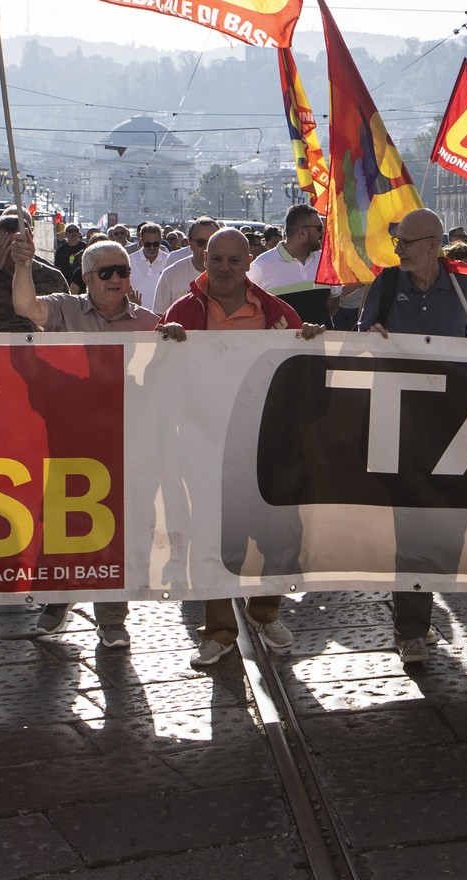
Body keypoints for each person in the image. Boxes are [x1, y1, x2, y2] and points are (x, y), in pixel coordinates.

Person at [11, 232, 184, 644]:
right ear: (87, 277)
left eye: (122, 271)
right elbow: (24, 307)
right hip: (65, 436)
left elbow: (169, 374)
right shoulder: (63, 309)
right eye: (106, 272)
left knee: (114, 528)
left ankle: (111, 620)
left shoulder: (148, 322)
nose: (116, 279)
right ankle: (59, 598)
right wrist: (22, 263)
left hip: (121, 441)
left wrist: (176, 338)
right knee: (59, 520)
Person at [164, 228, 324, 665]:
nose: (224, 269)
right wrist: (168, 344)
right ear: (205, 261)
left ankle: (265, 611)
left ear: (248, 262)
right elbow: (163, 379)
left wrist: (307, 337)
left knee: (281, 535)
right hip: (207, 445)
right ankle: (218, 629)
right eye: (216, 259)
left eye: (234, 260)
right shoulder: (182, 312)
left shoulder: (277, 312)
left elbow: (303, 367)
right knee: (214, 541)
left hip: (267, 444)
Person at [356, 208, 467, 667]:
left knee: (446, 527)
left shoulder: (466, 287)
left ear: (433, 245)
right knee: (410, 526)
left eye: (407, 243)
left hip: (452, 427)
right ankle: (411, 627)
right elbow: (361, 342)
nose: (399, 250)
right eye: (398, 243)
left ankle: (419, 606)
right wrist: (371, 335)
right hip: (399, 427)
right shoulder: (387, 285)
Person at [0, 212, 67, 332]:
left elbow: (68, 319)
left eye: (20, 243)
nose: (15, 252)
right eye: (7, 245)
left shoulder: (53, 277)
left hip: (38, 347)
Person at [154, 216, 221, 315]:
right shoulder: (171, 274)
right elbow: (159, 317)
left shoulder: (231, 274)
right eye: (201, 242)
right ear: (190, 243)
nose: (207, 248)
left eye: (211, 242)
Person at [127, 222, 171, 307]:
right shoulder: (129, 261)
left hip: (162, 316)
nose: (152, 248)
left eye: (155, 244)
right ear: (141, 242)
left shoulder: (169, 261)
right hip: (136, 315)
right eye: (147, 244)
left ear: (160, 241)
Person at [53, 223, 85, 291]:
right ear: (66, 234)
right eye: (70, 231)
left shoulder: (85, 247)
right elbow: (58, 268)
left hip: (82, 281)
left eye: (76, 231)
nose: (73, 233)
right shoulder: (60, 250)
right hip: (66, 281)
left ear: (79, 233)